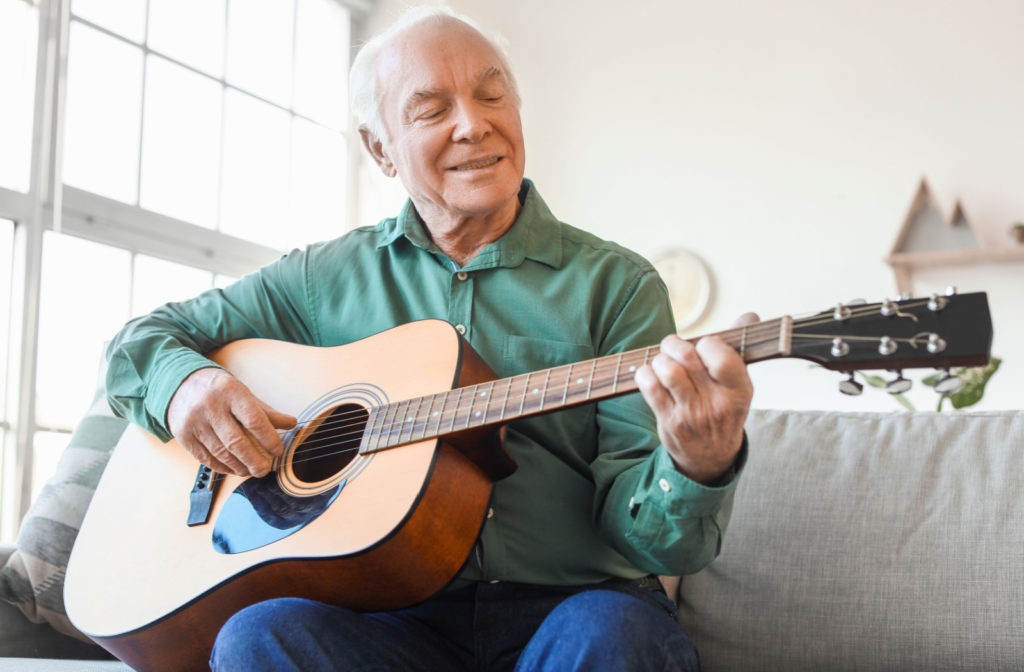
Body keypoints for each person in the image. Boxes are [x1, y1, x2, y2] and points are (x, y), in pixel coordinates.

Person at [104, 6, 754, 671]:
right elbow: (140, 343)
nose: (474, 124)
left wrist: (695, 466)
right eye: (430, 110)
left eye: (492, 96)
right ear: (380, 148)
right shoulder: (322, 281)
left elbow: (657, 546)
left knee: (617, 633)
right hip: (383, 620)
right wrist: (187, 385)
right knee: (258, 637)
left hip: (571, 611)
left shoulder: (617, 285)